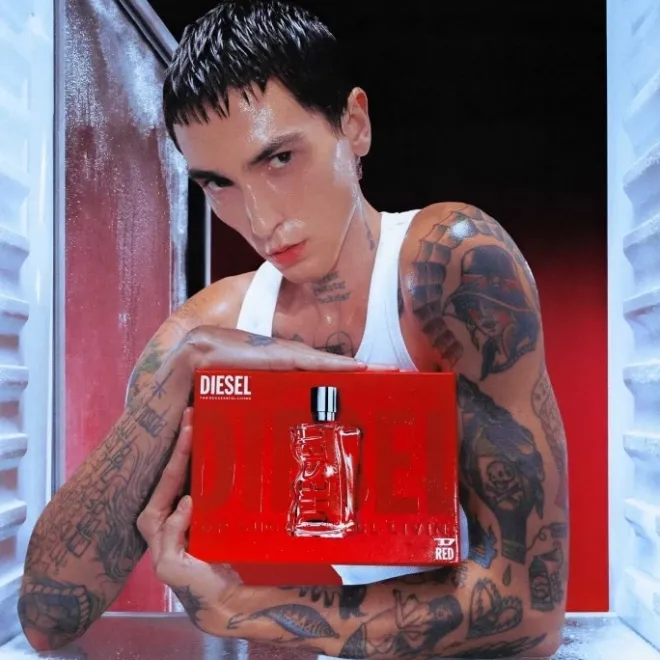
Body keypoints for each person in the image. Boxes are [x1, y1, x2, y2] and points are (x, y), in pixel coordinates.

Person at [18, 1, 569, 656]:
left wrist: (244, 611)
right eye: (218, 184)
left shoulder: (449, 263)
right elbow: (48, 616)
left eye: (279, 158)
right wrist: (179, 373)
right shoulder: (209, 327)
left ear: (354, 124)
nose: (258, 220)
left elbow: (531, 614)